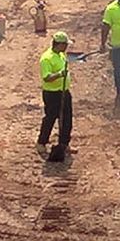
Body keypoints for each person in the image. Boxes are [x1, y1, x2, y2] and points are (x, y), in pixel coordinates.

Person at [38, 31, 75, 163]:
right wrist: (60, 74)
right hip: (52, 93)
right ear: (59, 44)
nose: (67, 47)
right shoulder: (46, 58)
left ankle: (64, 144)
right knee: (50, 118)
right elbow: (47, 78)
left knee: (67, 119)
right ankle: (41, 142)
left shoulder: (61, 55)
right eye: (65, 45)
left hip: (64, 91)